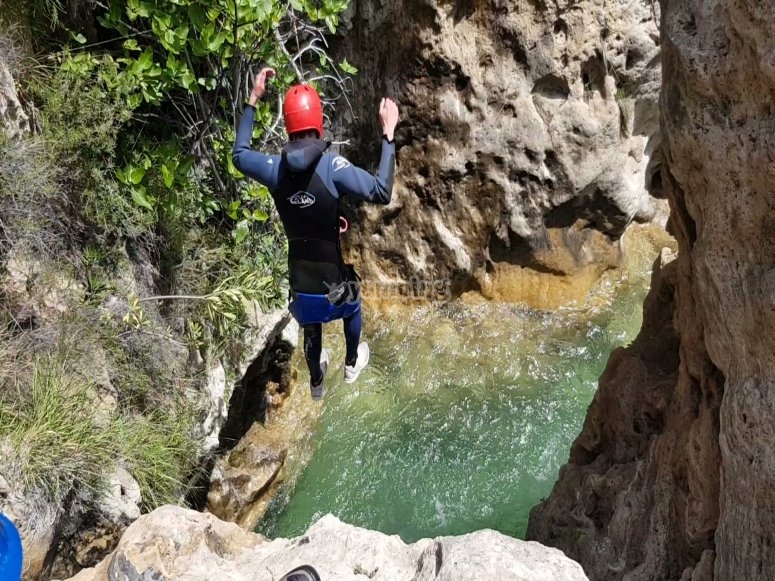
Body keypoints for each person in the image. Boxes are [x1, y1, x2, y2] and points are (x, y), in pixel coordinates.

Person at [233, 68, 399, 400]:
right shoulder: (333, 167)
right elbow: (381, 191)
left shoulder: (272, 169)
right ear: (318, 122)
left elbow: (239, 155)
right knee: (352, 302)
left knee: (310, 316)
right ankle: (352, 363)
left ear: (288, 125)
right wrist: (389, 134)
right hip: (334, 289)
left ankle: (316, 382)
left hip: (301, 287)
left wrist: (253, 99)